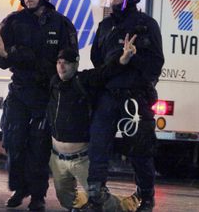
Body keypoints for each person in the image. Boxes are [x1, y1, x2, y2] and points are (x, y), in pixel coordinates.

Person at [0, 0, 78, 211]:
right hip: (19, 92)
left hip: (45, 95)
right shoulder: (12, 21)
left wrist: (19, 55)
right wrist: (2, 54)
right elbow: (2, 59)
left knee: (39, 148)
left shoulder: (61, 24)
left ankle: (38, 196)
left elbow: (68, 61)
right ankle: (20, 187)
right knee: (13, 140)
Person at [86, 0, 164, 212]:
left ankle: (146, 196)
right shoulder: (106, 26)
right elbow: (96, 58)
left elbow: (156, 63)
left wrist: (133, 57)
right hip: (108, 94)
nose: (113, 0)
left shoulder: (146, 25)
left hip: (135, 97)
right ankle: (95, 195)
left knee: (140, 149)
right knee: (98, 146)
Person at [47, 50, 141, 212]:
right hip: (57, 159)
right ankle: (86, 205)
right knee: (67, 201)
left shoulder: (83, 80)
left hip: (81, 159)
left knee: (101, 202)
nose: (61, 66)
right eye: (59, 62)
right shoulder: (53, 82)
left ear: (75, 65)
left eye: (66, 63)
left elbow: (104, 72)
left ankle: (128, 205)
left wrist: (122, 60)